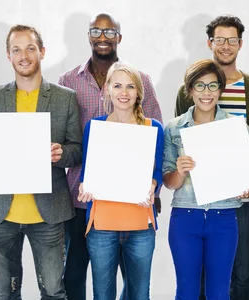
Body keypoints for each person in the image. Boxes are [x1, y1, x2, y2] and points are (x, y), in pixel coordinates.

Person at [57, 13, 163, 299]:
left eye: (109, 31)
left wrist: (154, 185)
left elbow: (154, 147)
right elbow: (65, 140)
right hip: (86, 201)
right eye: (96, 31)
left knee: (135, 281)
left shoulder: (143, 83)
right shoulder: (68, 81)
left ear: (119, 36)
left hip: (135, 205)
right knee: (78, 272)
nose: (102, 37)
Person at [0, 24, 82, 299]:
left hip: (48, 214)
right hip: (1, 214)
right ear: (8, 55)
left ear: (42, 52)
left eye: (30, 48)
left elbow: (77, 150)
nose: (24, 55)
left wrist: (61, 154)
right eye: (17, 49)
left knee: (54, 292)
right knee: (5, 294)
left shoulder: (64, 98)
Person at [174, 15, 249, 299]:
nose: (225, 46)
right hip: (202, 197)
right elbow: (181, 136)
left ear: (240, 44)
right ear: (209, 43)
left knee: (242, 272)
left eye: (232, 40)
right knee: (203, 276)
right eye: (219, 39)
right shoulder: (187, 90)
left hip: (241, 195)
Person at [164, 59, 249, 299]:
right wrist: (180, 171)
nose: (207, 93)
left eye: (213, 86)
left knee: (219, 293)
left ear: (221, 90)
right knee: (187, 291)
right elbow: (169, 183)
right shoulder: (174, 128)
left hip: (223, 218)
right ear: (190, 89)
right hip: (185, 217)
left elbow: (245, 177)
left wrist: (247, 189)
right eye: (200, 86)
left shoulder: (237, 128)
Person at [77, 62, 163, 300]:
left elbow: (158, 171)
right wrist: (84, 186)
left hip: (140, 224)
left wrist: (154, 185)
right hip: (102, 225)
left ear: (139, 92)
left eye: (130, 86)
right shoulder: (94, 127)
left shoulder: (152, 127)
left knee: (139, 295)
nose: (124, 93)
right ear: (107, 90)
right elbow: (87, 171)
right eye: (117, 86)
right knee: (102, 296)